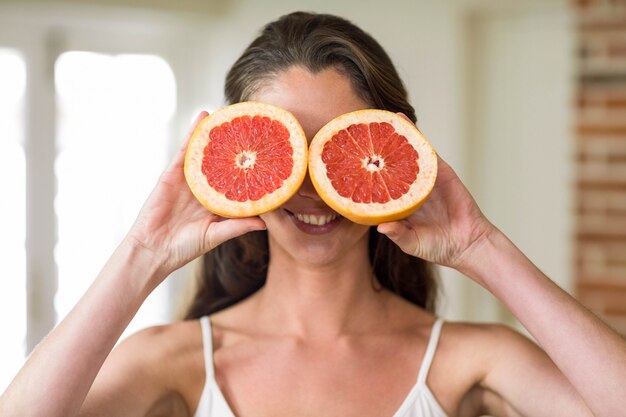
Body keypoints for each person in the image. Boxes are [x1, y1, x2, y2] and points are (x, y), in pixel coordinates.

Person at [1, 11, 624, 417]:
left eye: (337, 149)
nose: (315, 187)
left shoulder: (470, 362)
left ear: (387, 151)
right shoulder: (176, 363)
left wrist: (480, 244)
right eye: (285, 151)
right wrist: (143, 252)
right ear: (237, 161)